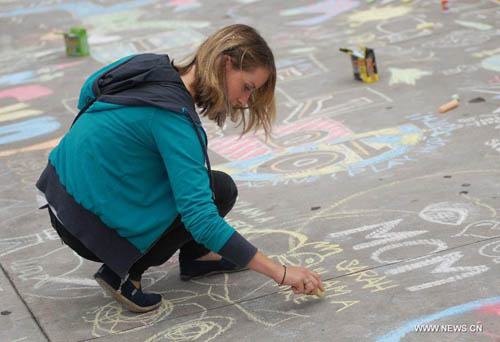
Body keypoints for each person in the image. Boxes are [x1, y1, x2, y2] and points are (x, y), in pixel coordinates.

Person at [36, 24, 324, 313]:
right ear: (225, 63)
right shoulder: (174, 120)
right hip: (85, 228)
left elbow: (88, 93)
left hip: (57, 192)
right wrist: (280, 272)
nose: (243, 101)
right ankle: (123, 274)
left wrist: (117, 158)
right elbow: (201, 219)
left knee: (217, 185)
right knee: (211, 196)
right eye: (246, 87)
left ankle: (198, 258)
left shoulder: (146, 65)